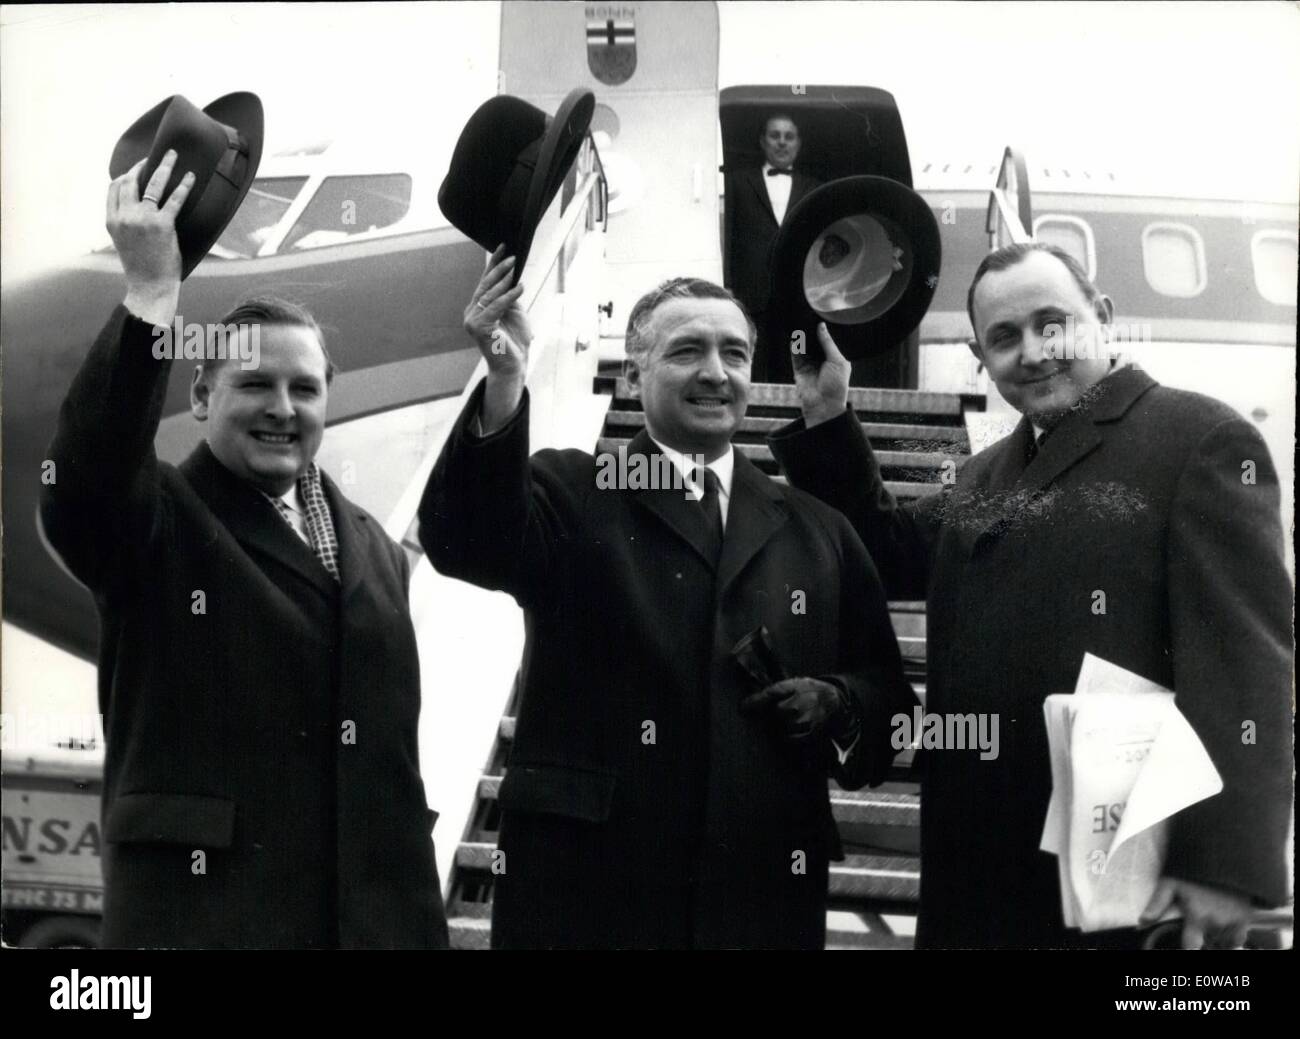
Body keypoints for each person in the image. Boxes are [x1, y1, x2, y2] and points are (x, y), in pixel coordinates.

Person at [769, 242, 1293, 950]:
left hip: (1123, 885)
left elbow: (1244, 663)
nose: (1035, 351)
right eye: (1004, 337)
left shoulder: (1198, 439)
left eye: (1054, 323)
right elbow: (883, 552)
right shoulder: (985, 475)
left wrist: (1225, 864)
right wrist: (830, 416)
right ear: (982, 359)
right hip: (978, 876)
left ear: (1101, 316)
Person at [420, 250, 916, 949]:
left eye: (735, 353)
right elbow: (465, 540)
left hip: (758, 902)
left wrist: (839, 703)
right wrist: (505, 380)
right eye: (688, 350)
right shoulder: (570, 490)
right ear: (633, 375)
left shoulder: (818, 527)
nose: (717, 371)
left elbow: (890, 702)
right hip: (589, 903)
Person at [40, 151, 448, 949]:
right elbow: (86, 477)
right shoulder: (154, 520)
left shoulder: (374, 547)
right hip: (208, 925)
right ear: (199, 396)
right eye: (255, 384)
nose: (283, 408)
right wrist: (152, 295)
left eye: (305, 389)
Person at [726, 112, 822, 382]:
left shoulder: (814, 188)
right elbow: (729, 235)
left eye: (789, 136)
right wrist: (728, 284)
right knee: (750, 363)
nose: (782, 142)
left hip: (798, 299)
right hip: (750, 295)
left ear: (798, 144)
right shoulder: (738, 182)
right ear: (762, 141)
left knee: (797, 362)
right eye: (775, 135)